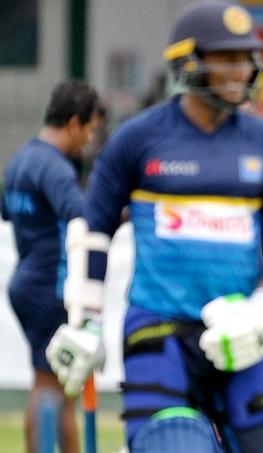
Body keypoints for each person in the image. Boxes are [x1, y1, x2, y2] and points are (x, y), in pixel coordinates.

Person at [45, 2, 263, 452]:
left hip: (241, 326)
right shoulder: (137, 138)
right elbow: (95, 230)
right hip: (159, 327)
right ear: (188, 61)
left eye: (245, 58)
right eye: (226, 57)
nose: (240, 70)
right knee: (176, 444)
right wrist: (85, 319)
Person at [1, 80, 100, 453]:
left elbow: (8, 213)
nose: (89, 140)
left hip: (26, 280)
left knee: (52, 386)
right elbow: (83, 216)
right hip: (49, 287)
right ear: (73, 123)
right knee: (54, 388)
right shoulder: (54, 167)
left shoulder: (22, 158)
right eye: (89, 129)